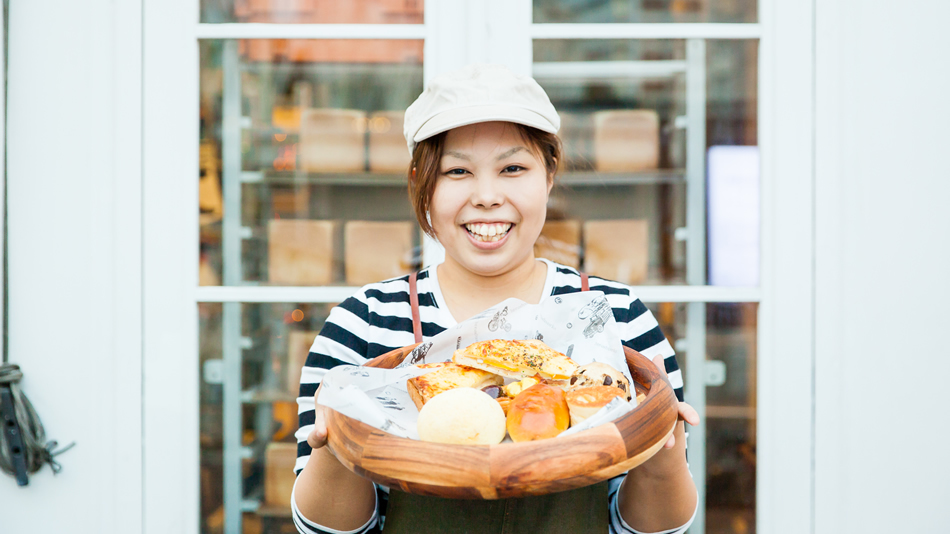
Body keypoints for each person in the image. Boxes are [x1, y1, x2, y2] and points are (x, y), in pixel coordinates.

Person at [291, 64, 699, 534]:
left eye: (513, 168)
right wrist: (335, 445)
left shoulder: (612, 315)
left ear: (548, 175)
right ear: (422, 184)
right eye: (457, 170)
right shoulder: (364, 322)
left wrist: (662, 450)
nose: (486, 196)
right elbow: (323, 530)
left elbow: (656, 530)